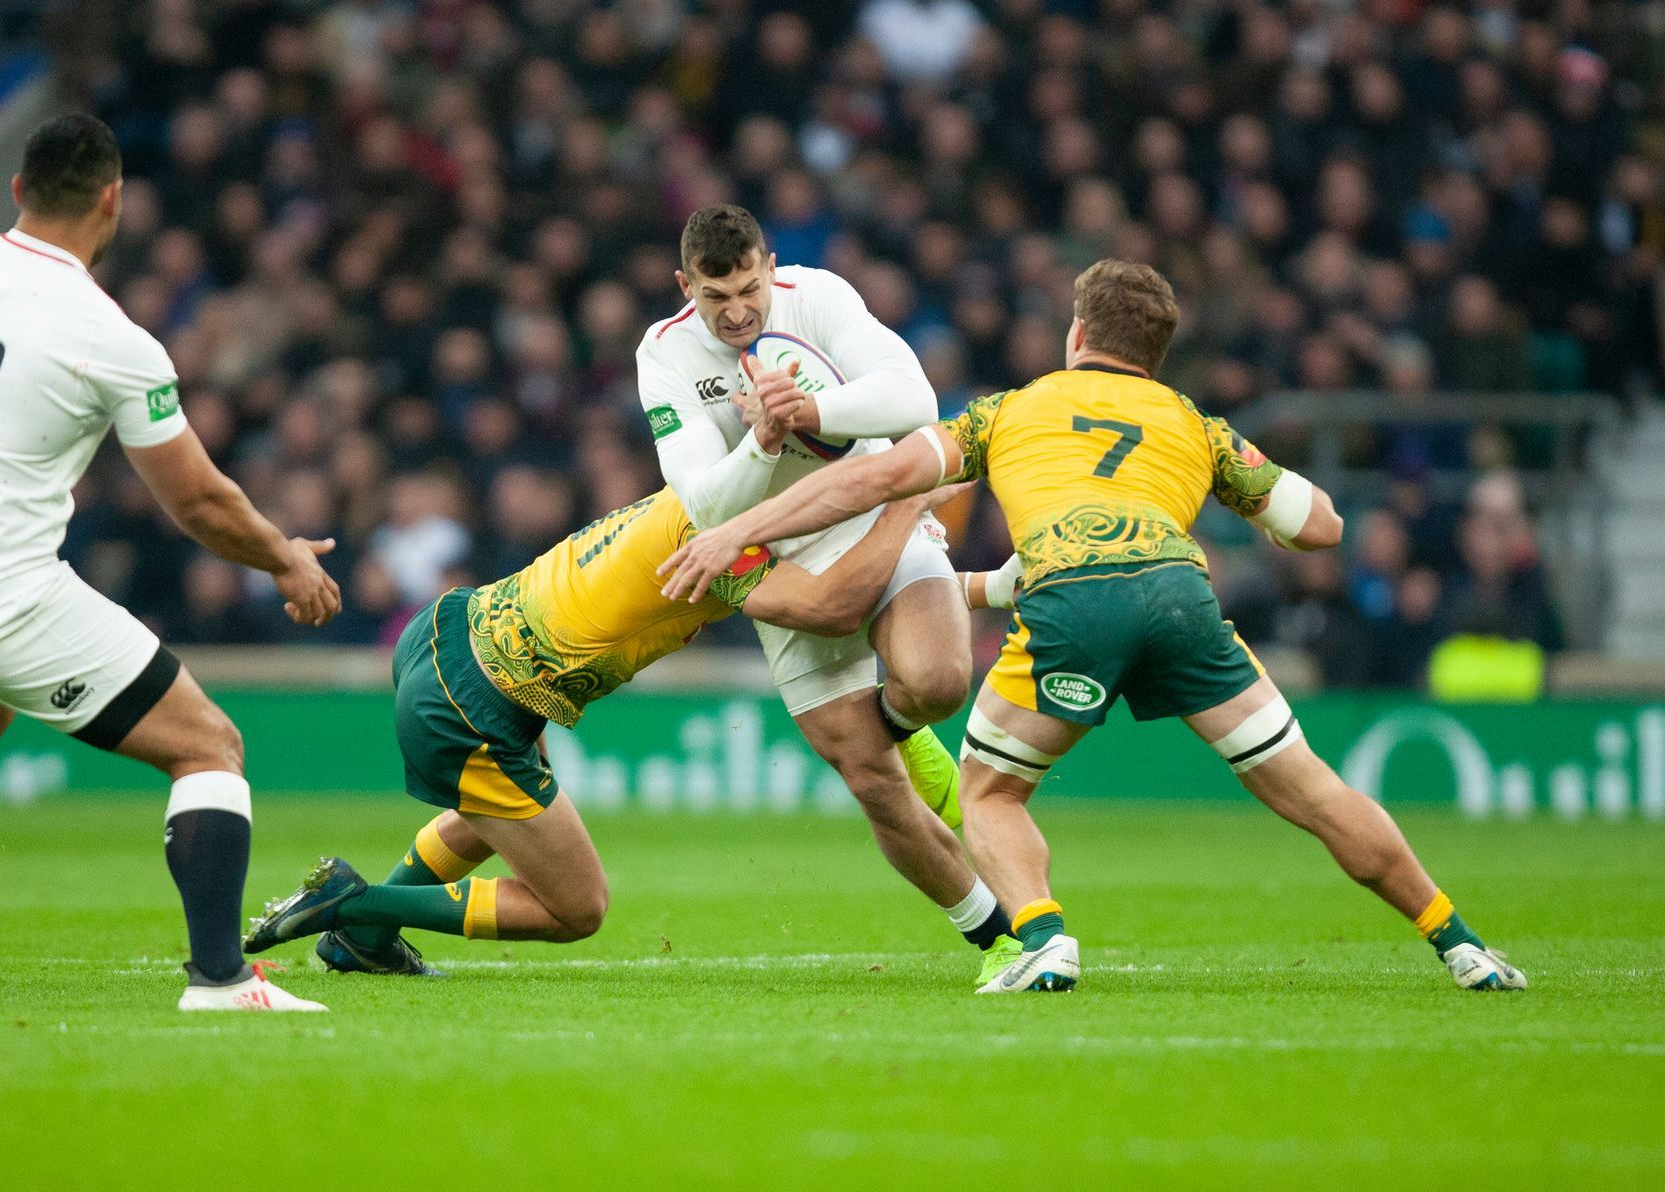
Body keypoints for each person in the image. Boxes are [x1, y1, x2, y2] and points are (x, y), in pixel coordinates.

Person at [661, 259, 1525, 995]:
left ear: (1077, 336)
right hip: (1183, 598)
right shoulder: (1197, 425)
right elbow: (1324, 527)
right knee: (1307, 786)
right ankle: (1461, 944)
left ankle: (1043, 940)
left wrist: (737, 530)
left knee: (991, 790)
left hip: (1075, 598)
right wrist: (1250, 499)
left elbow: (871, 481)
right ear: (1158, 352)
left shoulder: (1007, 411)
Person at [0, 114, 341, 1013]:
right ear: (113, 202)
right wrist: (284, 559)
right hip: (1, 602)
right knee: (210, 746)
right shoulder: (112, 338)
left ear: (17, 191)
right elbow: (197, 503)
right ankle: (219, 979)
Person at [242, 484, 962, 968]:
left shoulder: (695, 489)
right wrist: (904, 508)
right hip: (476, 700)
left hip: (451, 630)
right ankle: (353, 901)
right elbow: (832, 607)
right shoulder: (726, 540)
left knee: (496, 817)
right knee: (576, 907)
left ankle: (359, 941)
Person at [635, 205, 1021, 985]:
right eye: (716, 297)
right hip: (773, 552)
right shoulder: (664, 354)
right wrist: (765, 440)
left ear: (770, 267)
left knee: (942, 683)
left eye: (749, 288)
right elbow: (709, 506)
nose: (738, 310)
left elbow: (912, 399)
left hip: (872, 515)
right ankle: (1000, 937)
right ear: (686, 287)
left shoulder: (818, 295)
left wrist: (812, 410)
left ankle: (902, 719)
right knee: (872, 781)